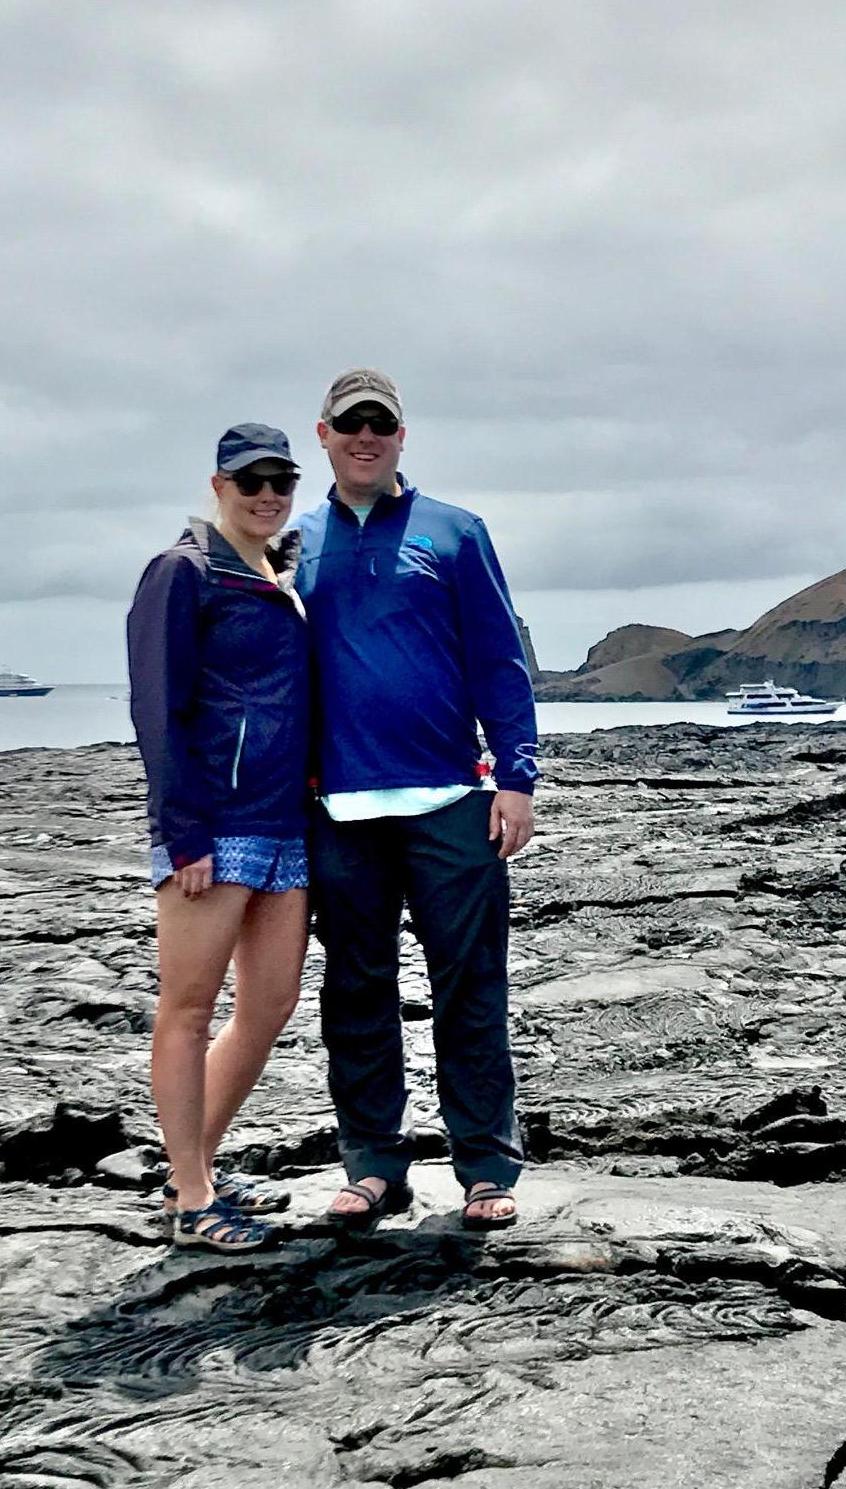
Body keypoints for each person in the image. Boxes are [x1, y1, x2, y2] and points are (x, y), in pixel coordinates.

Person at [295, 369, 538, 1231]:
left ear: (402, 436)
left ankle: (483, 1165)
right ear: (322, 433)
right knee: (355, 989)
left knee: (469, 985)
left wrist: (516, 776)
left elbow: (500, 661)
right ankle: (373, 1164)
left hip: (450, 803)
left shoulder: (456, 532)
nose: (366, 436)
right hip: (337, 810)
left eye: (381, 424)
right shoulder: (296, 541)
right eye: (349, 423)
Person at [126, 424, 310, 1253]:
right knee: (190, 1007)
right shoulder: (183, 572)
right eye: (251, 481)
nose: (267, 493)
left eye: (281, 480)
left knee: (270, 1005)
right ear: (218, 483)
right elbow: (156, 708)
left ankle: (191, 1163)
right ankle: (193, 1196)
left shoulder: (284, 571)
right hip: (213, 824)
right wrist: (182, 829)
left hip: (285, 821)